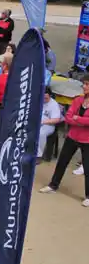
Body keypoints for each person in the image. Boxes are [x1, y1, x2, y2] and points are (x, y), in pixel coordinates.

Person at [40, 77, 89, 207]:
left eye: (87, 84)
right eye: (84, 84)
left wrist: (78, 118)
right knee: (62, 162)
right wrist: (80, 120)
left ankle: (88, 196)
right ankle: (53, 185)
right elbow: (68, 117)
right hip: (72, 136)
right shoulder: (78, 100)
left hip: (87, 140)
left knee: (87, 167)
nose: (84, 86)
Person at [38, 89, 64, 159]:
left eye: (46, 98)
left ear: (50, 96)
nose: (44, 100)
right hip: (37, 122)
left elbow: (56, 119)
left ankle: (38, 155)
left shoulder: (54, 104)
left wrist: (43, 122)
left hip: (48, 125)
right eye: (42, 98)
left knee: (41, 133)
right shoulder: (38, 100)